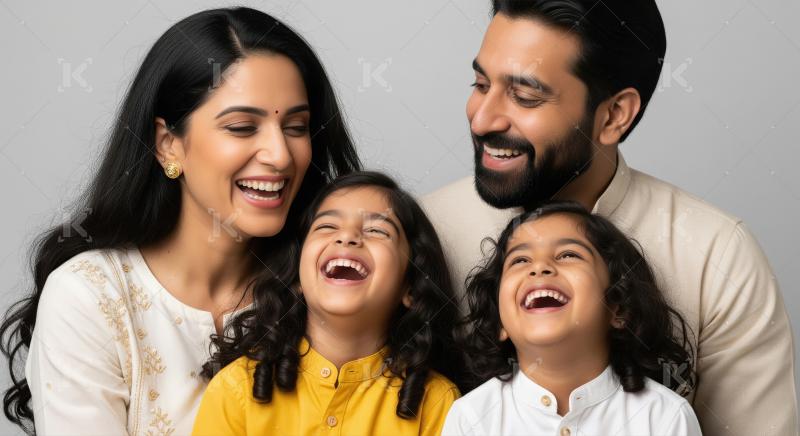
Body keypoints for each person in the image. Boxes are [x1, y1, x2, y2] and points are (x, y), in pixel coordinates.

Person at [421, 1, 798, 434]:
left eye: (525, 96)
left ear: (614, 115)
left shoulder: (717, 256)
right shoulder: (423, 234)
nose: (482, 118)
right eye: (480, 83)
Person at [0, 7, 360, 435]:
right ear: (169, 145)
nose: (280, 155)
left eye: (297, 127)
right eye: (243, 127)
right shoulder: (89, 297)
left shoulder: (334, 282)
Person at [192, 171, 462, 435]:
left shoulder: (437, 404)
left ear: (411, 287)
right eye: (327, 226)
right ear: (296, 276)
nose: (347, 237)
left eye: (377, 230)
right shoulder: (236, 389)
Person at [443, 202, 701, 435]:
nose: (540, 267)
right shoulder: (471, 418)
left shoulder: (664, 417)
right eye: (520, 259)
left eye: (568, 255)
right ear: (500, 323)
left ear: (618, 309)